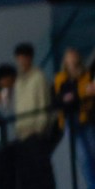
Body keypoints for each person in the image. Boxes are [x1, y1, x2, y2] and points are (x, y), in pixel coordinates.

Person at [13, 42, 56, 188]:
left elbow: (44, 104)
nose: (21, 61)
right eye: (19, 57)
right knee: (27, 175)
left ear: (30, 58)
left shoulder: (39, 77)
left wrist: (40, 129)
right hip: (22, 134)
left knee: (41, 174)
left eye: (24, 57)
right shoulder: (18, 81)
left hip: (36, 133)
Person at [54, 47, 95, 188]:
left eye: (74, 58)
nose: (71, 62)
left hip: (86, 118)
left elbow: (87, 93)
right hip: (71, 120)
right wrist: (81, 93)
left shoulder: (86, 75)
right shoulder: (60, 78)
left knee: (93, 151)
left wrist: (77, 94)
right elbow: (63, 97)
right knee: (83, 157)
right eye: (69, 59)